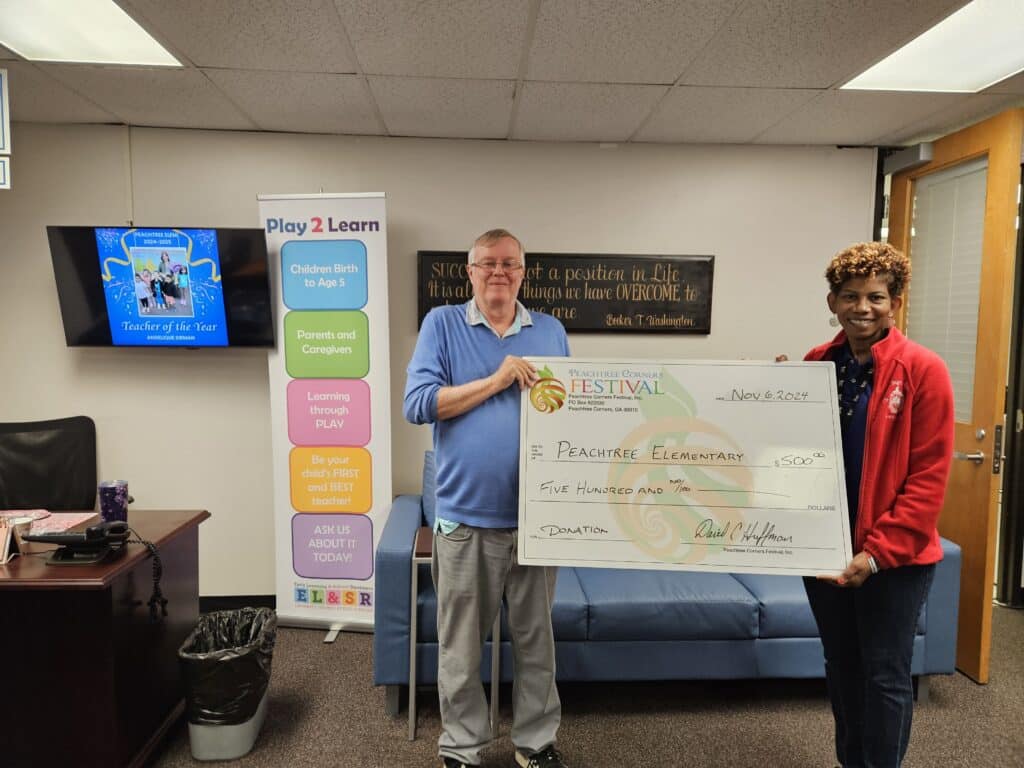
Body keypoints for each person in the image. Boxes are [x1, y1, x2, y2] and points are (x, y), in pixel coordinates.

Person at [404, 229, 571, 768]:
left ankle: (536, 744)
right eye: (488, 264)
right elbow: (419, 403)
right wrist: (498, 379)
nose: (499, 272)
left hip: (537, 519)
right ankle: (462, 748)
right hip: (465, 521)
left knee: (537, 648)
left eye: (510, 264)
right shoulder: (443, 324)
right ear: (469, 271)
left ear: (523, 272)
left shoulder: (550, 331)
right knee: (460, 650)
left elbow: (571, 410)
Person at [801, 242, 954, 768]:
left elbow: (929, 479)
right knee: (841, 666)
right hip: (826, 550)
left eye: (875, 297)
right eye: (850, 297)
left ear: (895, 303)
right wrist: (773, 396)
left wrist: (876, 553)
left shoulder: (924, 370)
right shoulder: (816, 363)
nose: (861, 308)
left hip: (894, 560)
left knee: (885, 672)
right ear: (832, 300)